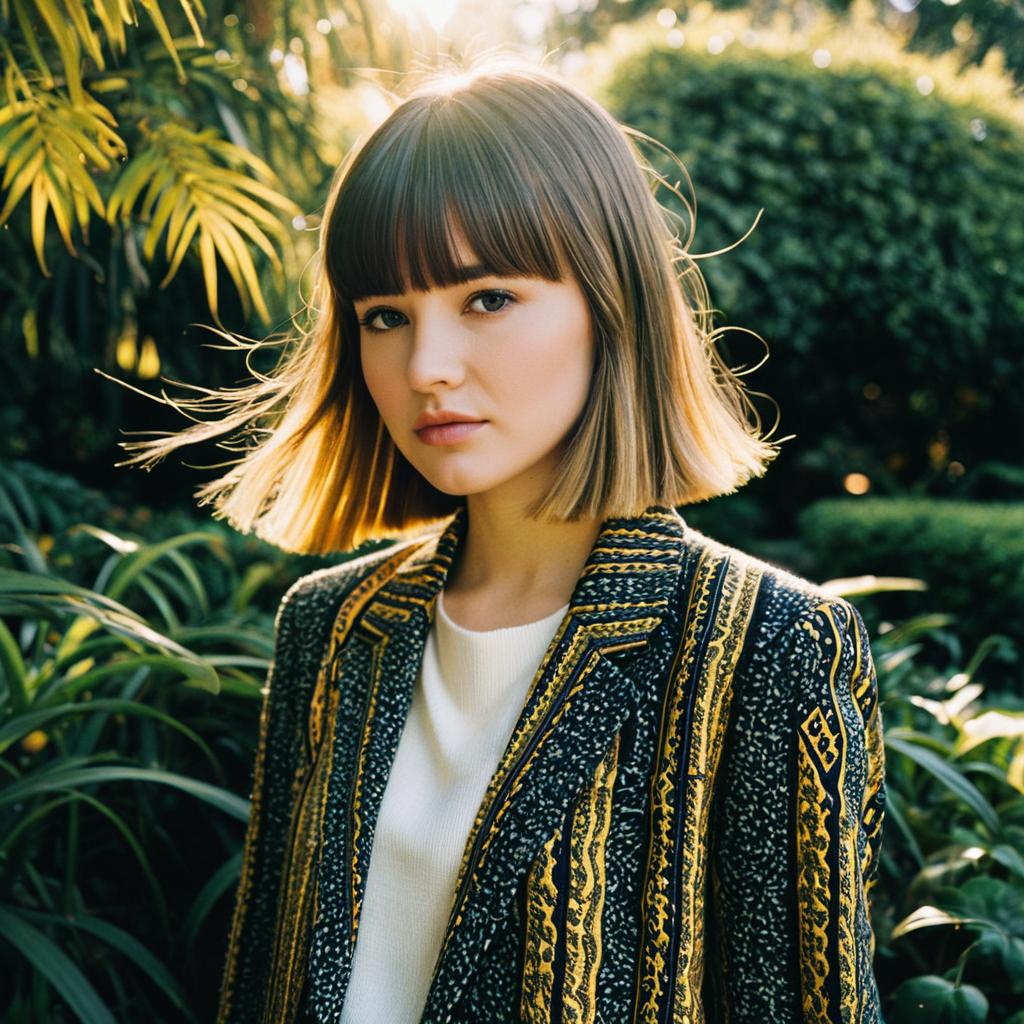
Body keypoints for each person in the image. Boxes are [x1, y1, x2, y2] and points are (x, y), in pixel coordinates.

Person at [117, 53, 886, 1024]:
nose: (427, 366)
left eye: (487, 298)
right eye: (385, 316)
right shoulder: (326, 625)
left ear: (611, 303)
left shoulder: (768, 651)